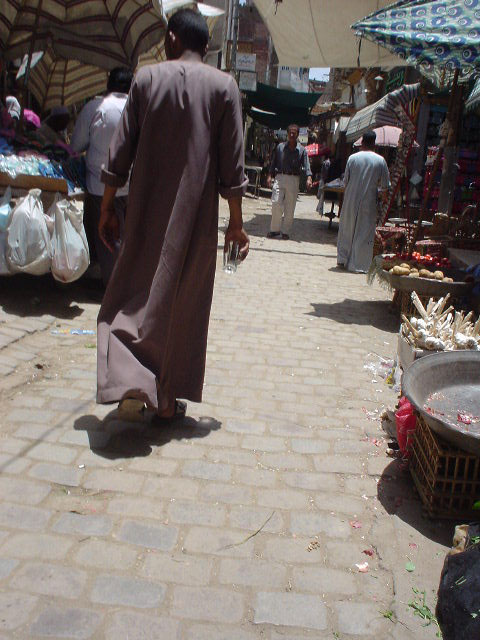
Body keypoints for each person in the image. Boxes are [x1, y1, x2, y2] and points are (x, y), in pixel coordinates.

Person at [96, 8, 249, 421]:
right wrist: (236, 224)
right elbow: (232, 165)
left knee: (132, 292)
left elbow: (120, 151)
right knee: (184, 302)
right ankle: (165, 400)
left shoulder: (146, 79)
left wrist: (107, 206)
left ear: (172, 38)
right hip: (196, 219)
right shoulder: (224, 87)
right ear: (206, 45)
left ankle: (133, 379)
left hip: (145, 212)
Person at [71, 67, 133, 285]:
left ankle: (113, 288)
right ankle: (123, 284)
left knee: (107, 238)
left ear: (108, 85)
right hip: (132, 185)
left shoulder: (95, 108)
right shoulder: (140, 108)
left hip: (100, 186)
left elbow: (76, 146)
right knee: (126, 237)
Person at [337, 130, 390, 273]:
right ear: (374, 143)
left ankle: (342, 259)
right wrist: (383, 200)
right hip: (369, 200)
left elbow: (345, 181)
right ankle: (358, 265)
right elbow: (385, 187)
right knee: (364, 231)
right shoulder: (380, 160)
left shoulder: (352, 158)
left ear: (362, 142)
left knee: (347, 228)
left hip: (350, 198)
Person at [266, 124, 312, 240]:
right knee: (276, 202)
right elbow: (273, 162)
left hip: (293, 179)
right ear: (287, 133)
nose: (292, 134)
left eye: (294, 133)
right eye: (290, 132)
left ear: (297, 134)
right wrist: (270, 175)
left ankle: (285, 231)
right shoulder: (280, 147)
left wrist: (309, 178)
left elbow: (306, 165)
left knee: (290, 206)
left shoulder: (302, 150)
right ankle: (274, 230)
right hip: (280, 177)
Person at [316, 151, 331, 216]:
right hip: (323, 180)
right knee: (321, 195)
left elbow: (325, 172)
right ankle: (319, 208)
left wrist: (324, 180)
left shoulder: (326, 162)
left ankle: (320, 209)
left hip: (323, 180)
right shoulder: (327, 162)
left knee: (321, 195)